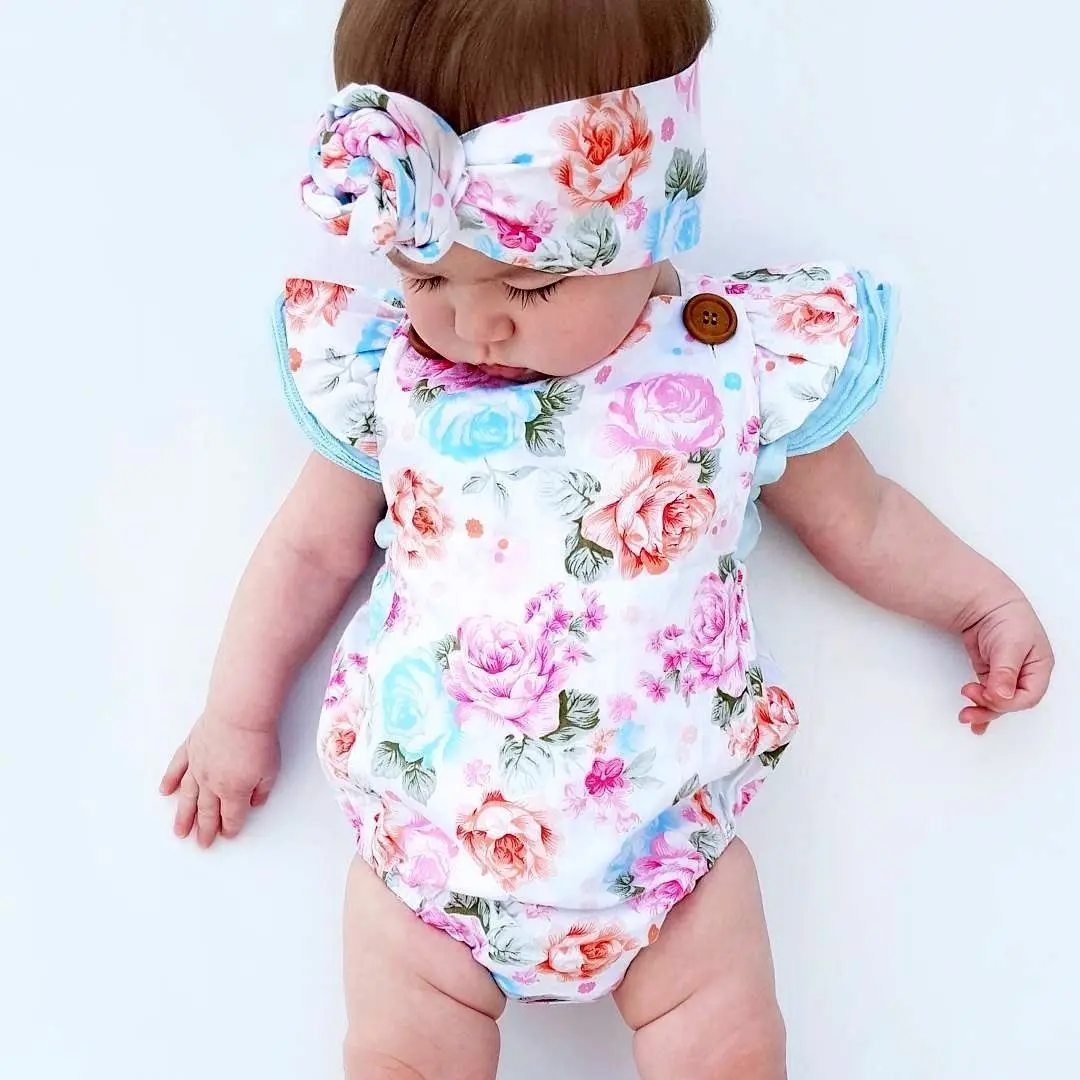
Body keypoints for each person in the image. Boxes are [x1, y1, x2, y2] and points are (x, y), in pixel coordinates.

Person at [159, 2, 1055, 1077]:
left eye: (531, 285)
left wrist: (979, 601)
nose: (474, 323)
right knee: (402, 1056)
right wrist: (236, 716)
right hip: (428, 862)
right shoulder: (391, 377)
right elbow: (308, 552)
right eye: (427, 277)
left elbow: (862, 518)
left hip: (669, 861)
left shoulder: (730, 362)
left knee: (730, 1049)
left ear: (654, 220)